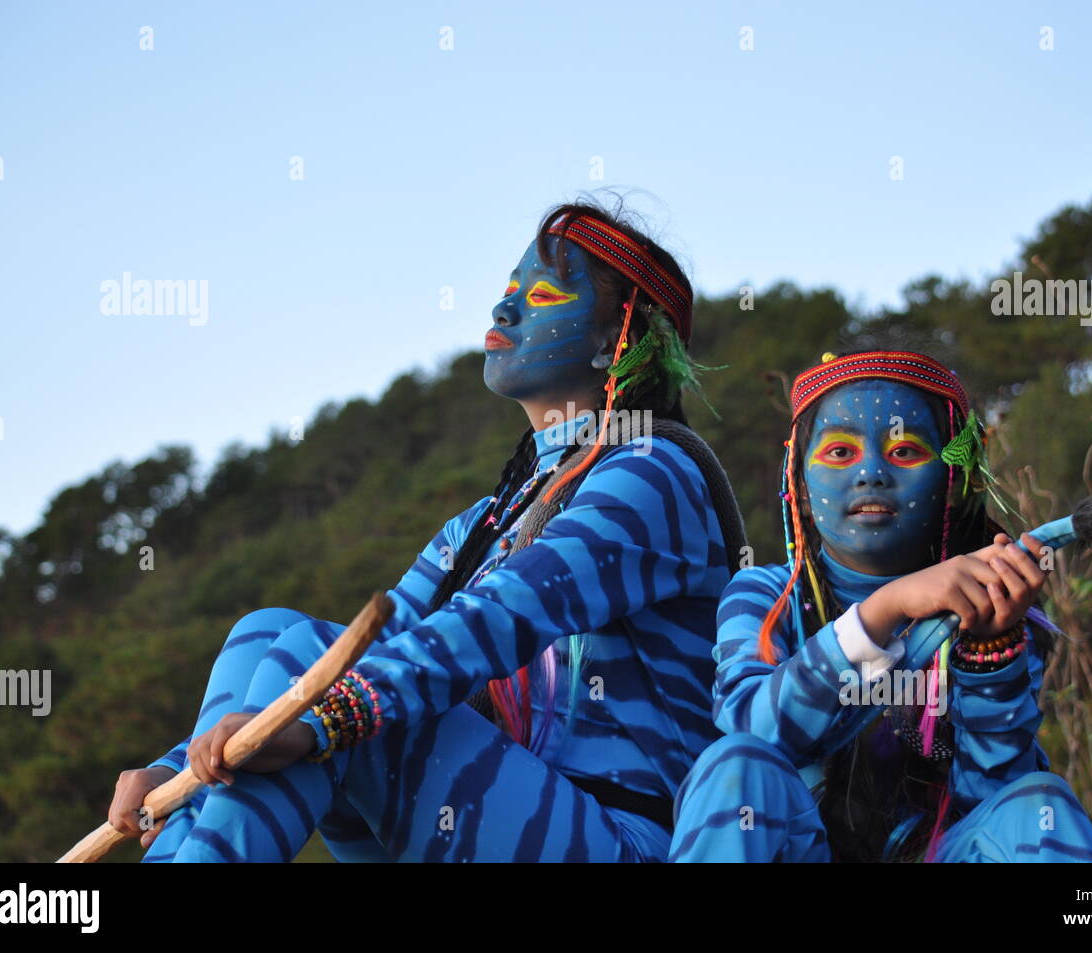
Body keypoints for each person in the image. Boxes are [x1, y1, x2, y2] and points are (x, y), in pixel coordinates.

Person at [107, 202, 746, 862]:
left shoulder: (653, 470)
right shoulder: (489, 516)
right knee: (266, 631)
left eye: (546, 293)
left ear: (619, 333)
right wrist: (179, 772)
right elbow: (388, 637)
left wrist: (320, 724)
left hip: (622, 837)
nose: (503, 313)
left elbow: (504, 614)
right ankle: (185, 834)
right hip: (500, 817)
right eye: (507, 292)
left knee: (313, 669)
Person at [669, 349, 1092, 862]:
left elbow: (990, 802)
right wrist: (885, 610)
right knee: (737, 764)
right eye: (839, 452)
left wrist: (991, 653)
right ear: (801, 488)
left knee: (1039, 804)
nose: (872, 473)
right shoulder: (764, 596)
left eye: (904, 452)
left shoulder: (991, 603)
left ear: (952, 484)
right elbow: (750, 730)